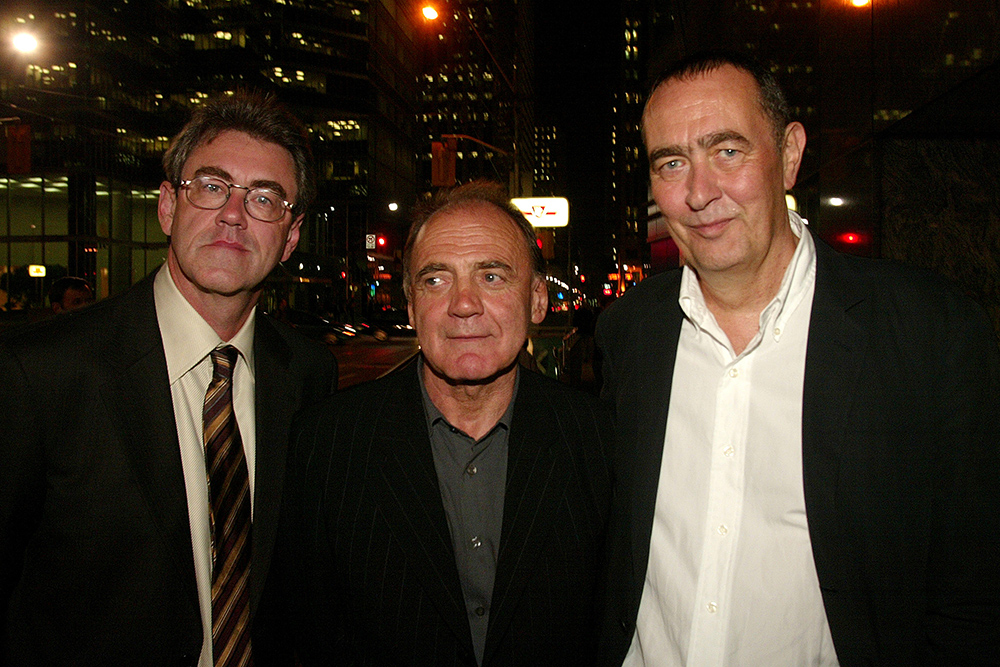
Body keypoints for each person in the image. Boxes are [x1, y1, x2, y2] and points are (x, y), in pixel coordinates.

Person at [595, 51, 999, 666]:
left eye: (727, 151)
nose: (700, 193)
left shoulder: (928, 332)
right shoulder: (631, 331)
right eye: (672, 163)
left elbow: (972, 591)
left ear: (789, 155)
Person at [0, 90, 337, 666]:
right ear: (166, 207)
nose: (233, 214)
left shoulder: (308, 374)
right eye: (210, 187)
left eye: (264, 199)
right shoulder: (40, 371)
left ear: (290, 236)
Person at [261, 181, 613, 666]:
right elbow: (296, 638)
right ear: (410, 305)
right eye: (436, 280)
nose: (463, 304)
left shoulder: (597, 439)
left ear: (536, 300)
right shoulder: (325, 443)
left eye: (491, 277)